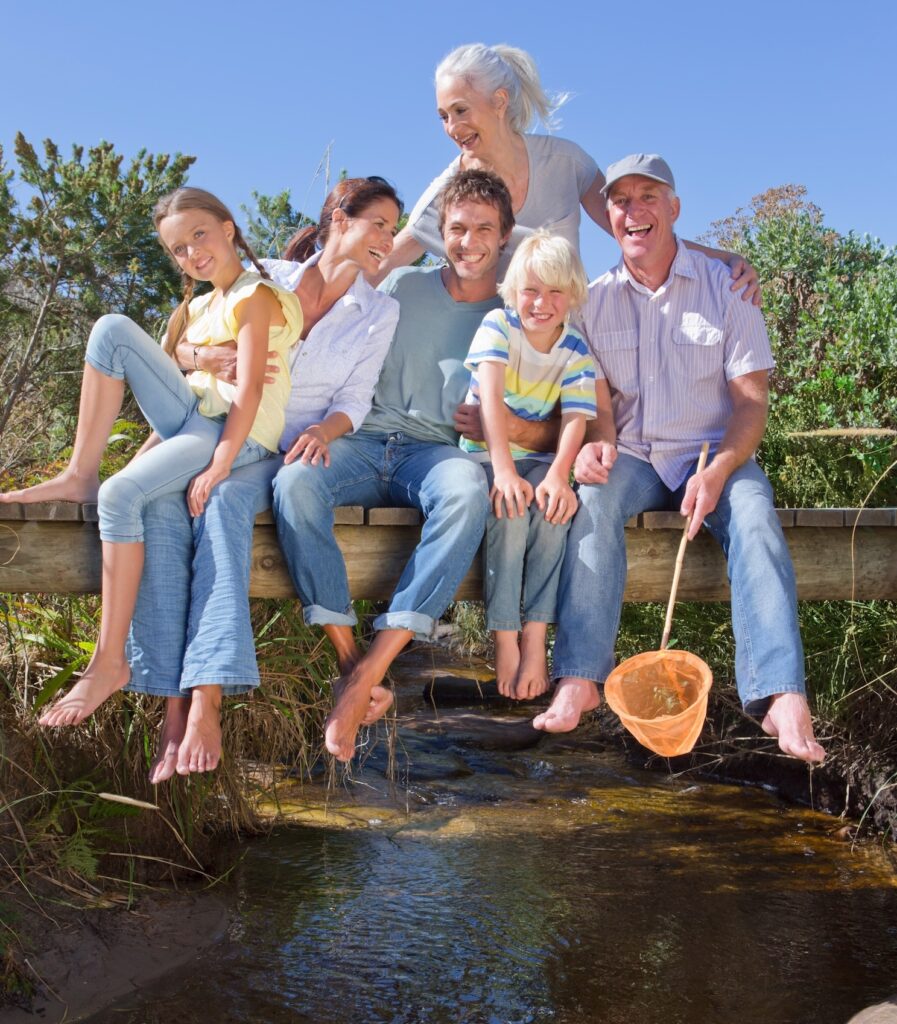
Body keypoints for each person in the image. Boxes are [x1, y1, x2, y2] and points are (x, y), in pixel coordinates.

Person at [535, 153, 825, 764]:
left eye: (648, 197)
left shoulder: (730, 287)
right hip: (637, 455)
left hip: (714, 454)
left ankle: (780, 694)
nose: (633, 211)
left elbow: (751, 399)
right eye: (620, 200)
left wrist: (719, 470)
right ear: (607, 216)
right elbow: (598, 396)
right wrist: (596, 445)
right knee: (593, 501)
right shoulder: (592, 302)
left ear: (673, 209)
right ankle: (581, 678)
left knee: (752, 516)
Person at [273, 169, 561, 763]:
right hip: (359, 437)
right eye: (457, 228)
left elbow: (567, 413)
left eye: (485, 228)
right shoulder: (401, 286)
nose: (470, 240)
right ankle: (354, 668)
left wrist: (506, 427)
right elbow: (320, 294)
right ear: (441, 232)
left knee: (465, 494)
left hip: (434, 455)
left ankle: (371, 668)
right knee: (295, 482)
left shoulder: (517, 314)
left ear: (504, 236)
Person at [126, 177, 404, 782]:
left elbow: (355, 398)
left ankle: (208, 698)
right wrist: (208, 358)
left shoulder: (381, 310)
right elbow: (172, 347)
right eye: (377, 223)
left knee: (222, 502)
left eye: (393, 226)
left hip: (290, 449)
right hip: (227, 431)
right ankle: (174, 707)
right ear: (338, 218)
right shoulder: (265, 275)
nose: (388, 237)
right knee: (165, 513)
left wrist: (325, 434)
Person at [1, 187, 303, 730]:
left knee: (120, 497)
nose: (191, 253)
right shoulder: (194, 308)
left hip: (235, 434)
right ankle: (79, 473)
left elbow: (251, 392)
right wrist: (194, 358)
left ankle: (109, 661)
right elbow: (170, 380)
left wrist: (219, 463)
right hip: (191, 424)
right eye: (178, 249)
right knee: (111, 329)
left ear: (228, 228)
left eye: (199, 235)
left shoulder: (255, 296)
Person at [378, 42, 760, 302]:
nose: (451, 127)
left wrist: (722, 259)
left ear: (499, 101)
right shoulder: (448, 194)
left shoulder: (565, 163)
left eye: (460, 110)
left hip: (565, 344)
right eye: (443, 116)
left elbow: (634, 230)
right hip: (492, 358)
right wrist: (320, 294)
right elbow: (384, 262)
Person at [460, 229, 601, 701]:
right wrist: (503, 471)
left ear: (573, 295)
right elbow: (491, 402)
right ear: (514, 292)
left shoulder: (577, 350)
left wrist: (560, 476)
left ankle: (536, 634)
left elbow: (577, 418)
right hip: (486, 453)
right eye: (531, 291)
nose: (542, 303)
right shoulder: (498, 326)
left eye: (555, 292)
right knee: (512, 507)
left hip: (540, 458)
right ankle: (504, 635)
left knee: (555, 511)